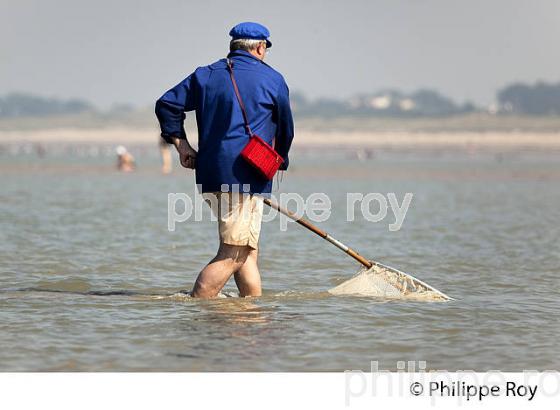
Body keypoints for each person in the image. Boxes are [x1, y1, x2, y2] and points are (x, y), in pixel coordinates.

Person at [155, 22, 294, 298]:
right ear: (259, 47)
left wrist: (182, 146)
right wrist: (278, 163)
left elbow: (166, 104)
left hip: (210, 175)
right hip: (247, 175)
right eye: (265, 48)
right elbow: (286, 129)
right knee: (232, 253)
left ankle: (251, 316)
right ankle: (197, 309)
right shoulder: (273, 79)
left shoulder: (205, 75)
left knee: (247, 252)